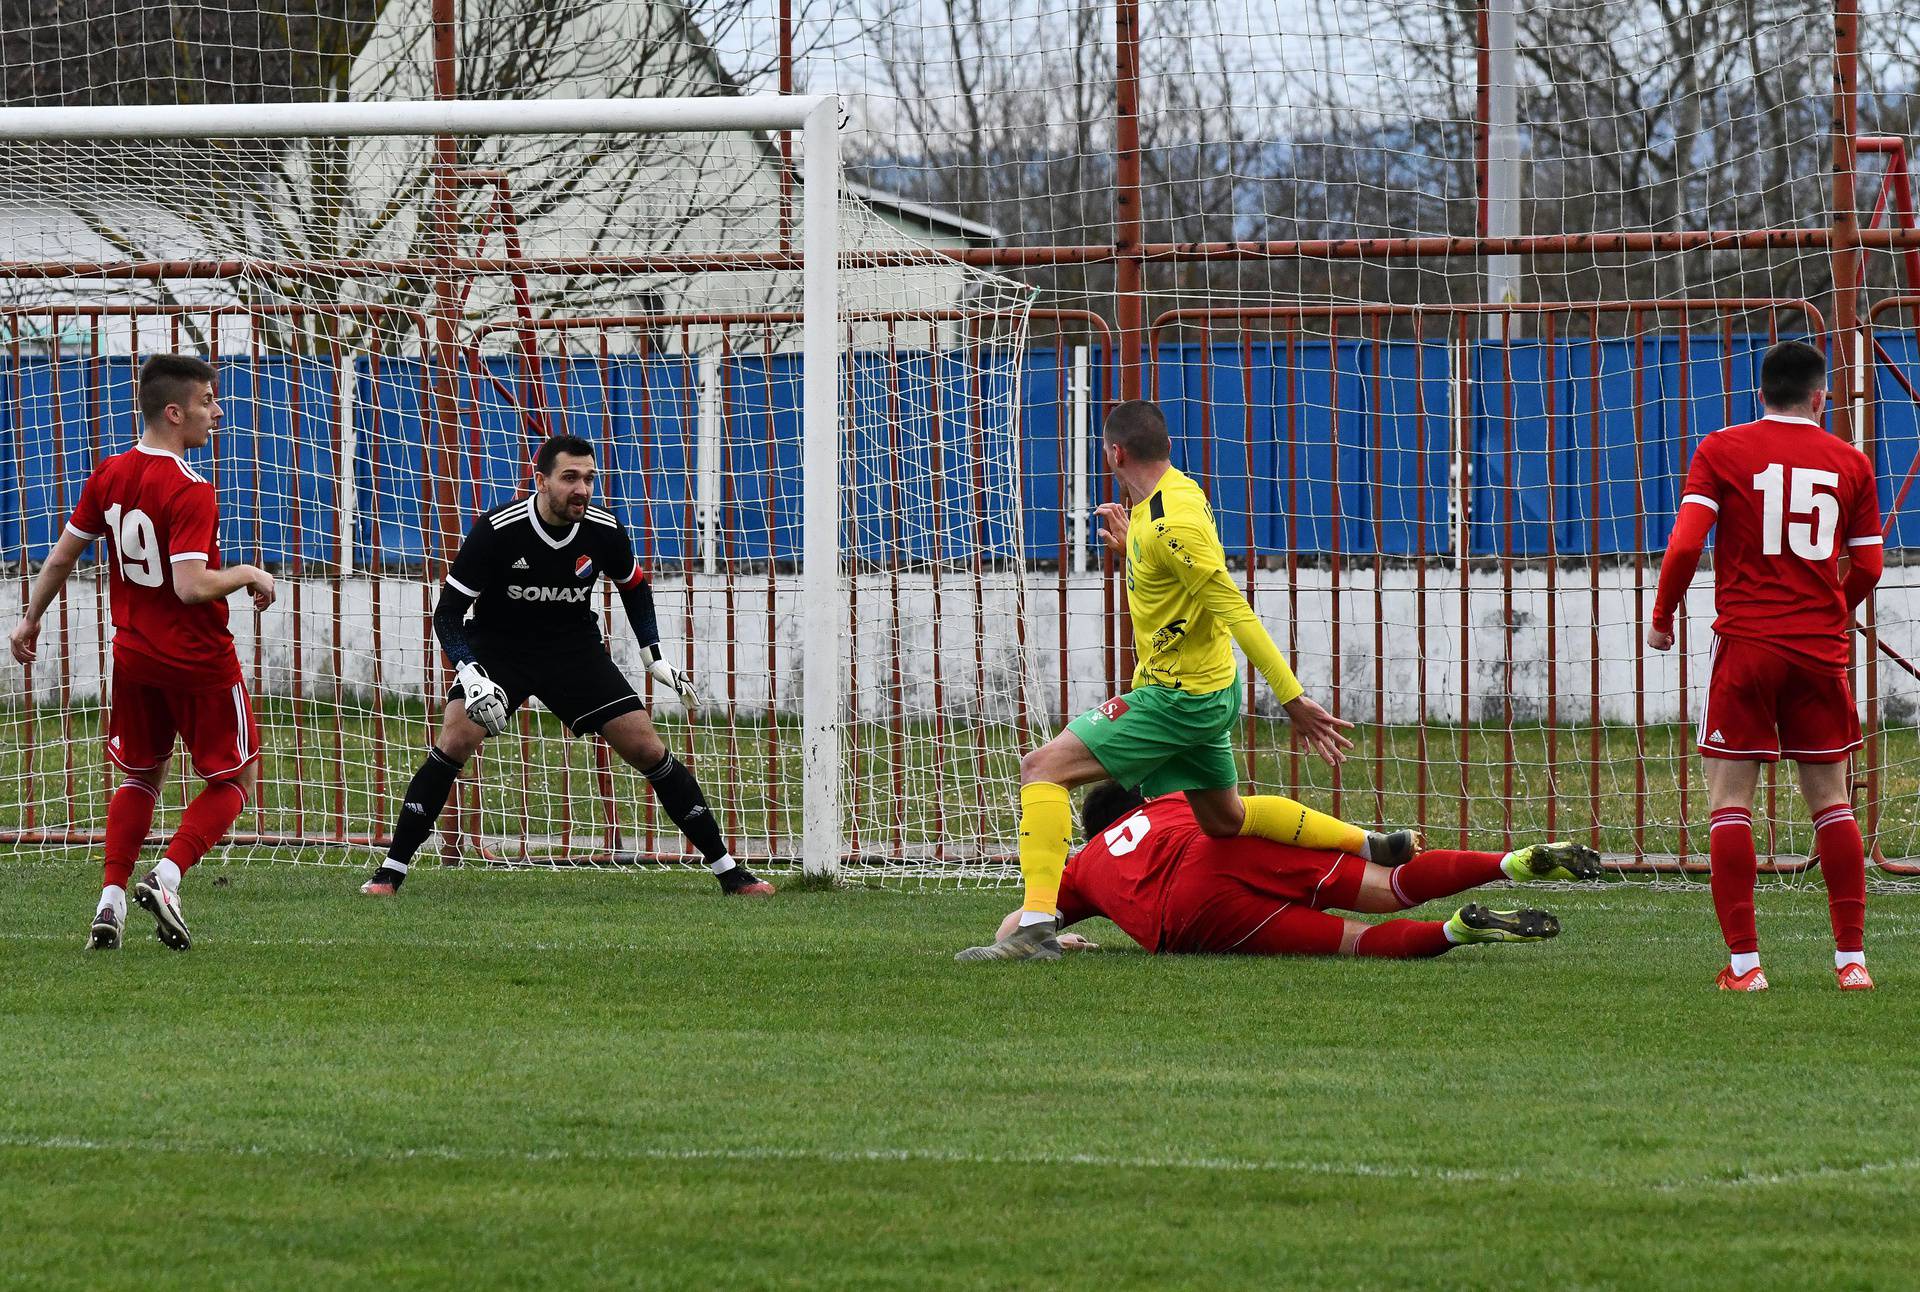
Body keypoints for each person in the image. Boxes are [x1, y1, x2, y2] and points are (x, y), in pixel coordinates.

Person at [959, 398, 1379, 962]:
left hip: (1177, 699)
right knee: (1225, 820)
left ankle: (1034, 926)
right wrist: (1131, 545)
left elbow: (1233, 607)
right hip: (1208, 691)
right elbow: (1173, 570)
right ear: (1167, 449)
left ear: (1114, 452)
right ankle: (1368, 843)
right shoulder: (1177, 496)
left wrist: (1293, 698)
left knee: (1042, 768)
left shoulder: (1167, 523)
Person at [359, 432, 773, 897]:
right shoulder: (498, 530)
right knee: (455, 739)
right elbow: (449, 614)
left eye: (589, 479)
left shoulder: (604, 529)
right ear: (541, 481)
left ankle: (731, 874)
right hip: (499, 648)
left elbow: (633, 586)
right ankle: (390, 873)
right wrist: (471, 673)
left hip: (573, 650)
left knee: (647, 748)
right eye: (570, 477)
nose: (582, 489)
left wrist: (652, 655)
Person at [9, 354, 276, 952]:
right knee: (239, 779)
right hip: (198, 659)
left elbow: (60, 557)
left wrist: (29, 620)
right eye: (209, 401)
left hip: (133, 656)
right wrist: (246, 572)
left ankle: (109, 903)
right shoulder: (189, 486)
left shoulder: (111, 474)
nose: (218, 412)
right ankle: (168, 875)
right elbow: (189, 586)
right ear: (175, 411)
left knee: (140, 773)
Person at [1648, 339, 1883, 991]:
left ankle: (1747, 967)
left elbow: (1686, 545)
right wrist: (1835, 611)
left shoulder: (1723, 448)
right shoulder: (1850, 462)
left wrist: (1663, 617)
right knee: (1832, 802)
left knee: (1730, 803)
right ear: (1819, 397)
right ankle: (1852, 963)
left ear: (1760, 393)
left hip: (1747, 647)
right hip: (1818, 651)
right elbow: (1868, 565)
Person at [973, 781, 1600, 958]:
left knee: (1360, 943)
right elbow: (1254, 813)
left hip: (1190, 911)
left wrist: (1066, 938)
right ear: (1138, 801)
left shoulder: (1082, 865)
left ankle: (1457, 932)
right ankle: (1508, 863)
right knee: (1391, 888)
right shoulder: (1167, 803)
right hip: (1218, 845)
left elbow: (1016, 926)